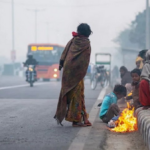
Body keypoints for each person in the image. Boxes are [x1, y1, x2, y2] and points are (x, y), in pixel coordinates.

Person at [54, 23, 92, 127]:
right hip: (77, 73)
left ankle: (82, 117)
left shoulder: (73, 40)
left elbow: (64, 54)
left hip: (67, 71)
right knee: (77, 95)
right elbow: (85, 60)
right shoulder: (86, 43)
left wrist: (62, 64)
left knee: (69, 93)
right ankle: (76, 120)